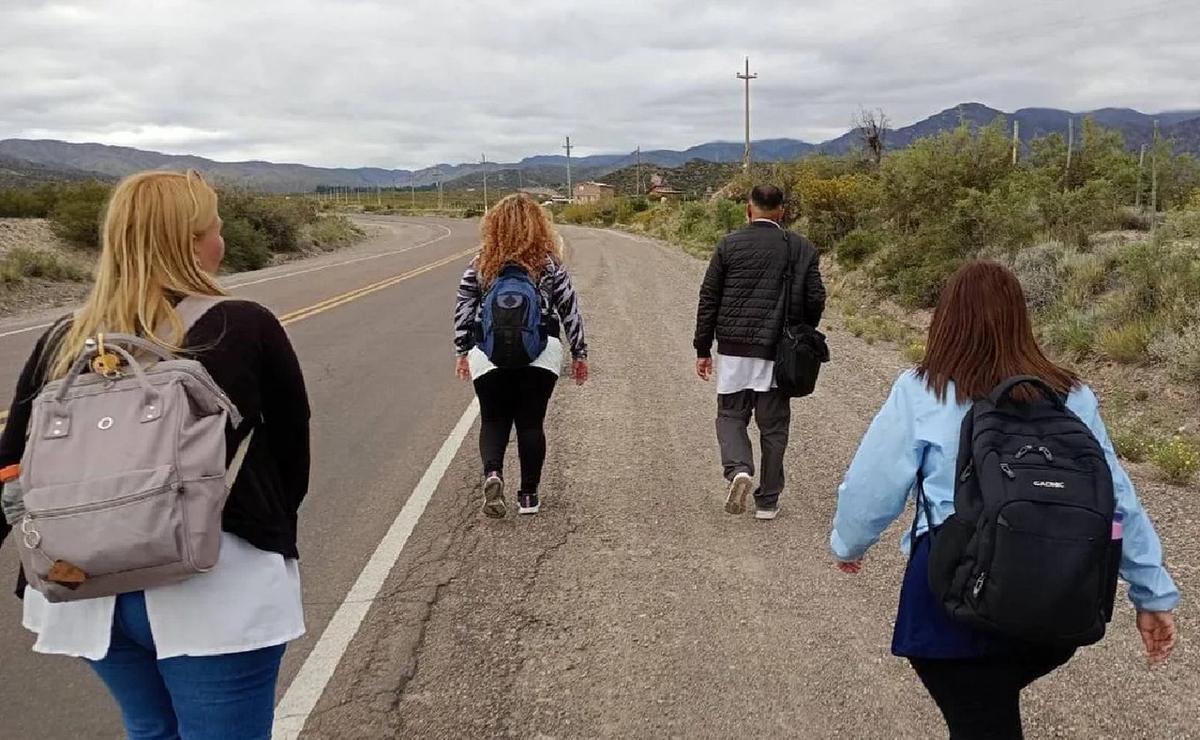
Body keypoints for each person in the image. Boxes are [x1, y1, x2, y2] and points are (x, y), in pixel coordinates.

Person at [0, 170, 311, 739]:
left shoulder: (62, 339)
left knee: (150, 730)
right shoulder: (242, 325)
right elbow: (293, 463)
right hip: (214, 581)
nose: (220, 239)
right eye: (214, 228)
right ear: (192, 243)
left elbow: (11, 471)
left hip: (83, 587)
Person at [830, 261, 1178, 739]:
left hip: (951, 599)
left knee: (980, 712)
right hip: (1055, 594)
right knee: (989, 705)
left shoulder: (922, 391)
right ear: (1022, 319)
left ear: (946, 319)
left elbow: (872, 486)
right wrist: (1150, 592)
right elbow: (1116, 499)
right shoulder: (1071, 396)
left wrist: (849, 545)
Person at [693, 184, 825, 520]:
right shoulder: (802, 248)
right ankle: (767, 501)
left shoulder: (729, 245)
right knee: (774, 426)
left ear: (749, 209)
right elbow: (815, 299)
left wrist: (703, 347)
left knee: (730, 416)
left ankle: (739, 469)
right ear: (781, 211)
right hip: (777, 353)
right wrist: (800, 332)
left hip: (735, 351)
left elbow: (709, 298)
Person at [454, 193, 588, 517]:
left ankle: (493, 474)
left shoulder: (482, 263)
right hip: (540, 353)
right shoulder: (548, 264)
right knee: (530, 423)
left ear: (495, 226)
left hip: (488, 355)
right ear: (537, 225)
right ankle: (528, 497)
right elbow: (569, 310)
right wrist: (579, 354)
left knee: (494, 419)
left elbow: (463, 308)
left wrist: (461, 350)